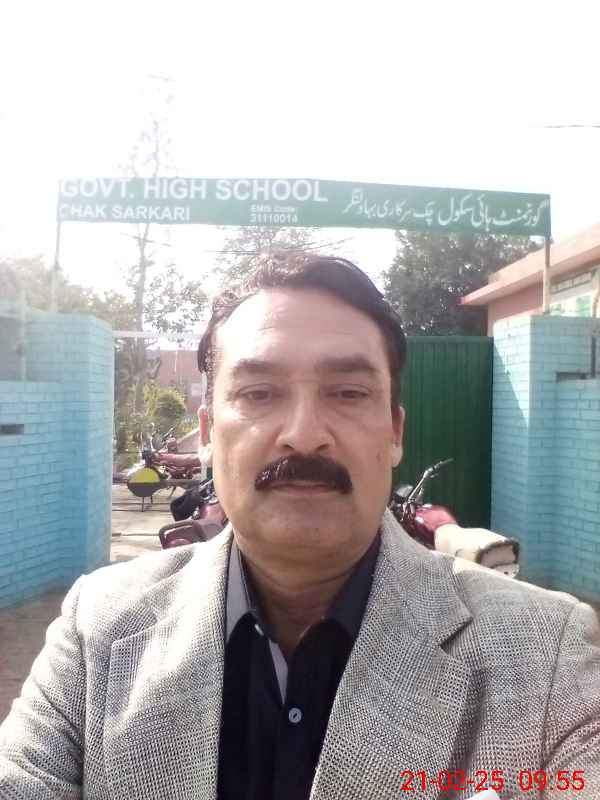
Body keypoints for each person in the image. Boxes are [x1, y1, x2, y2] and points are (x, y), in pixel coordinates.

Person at [1, 252, 599, 800]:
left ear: (395, 432)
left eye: (348, 392)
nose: (304, 434)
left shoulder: (546, 656)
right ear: (206, 434)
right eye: (259, 393)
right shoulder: (98, 631)